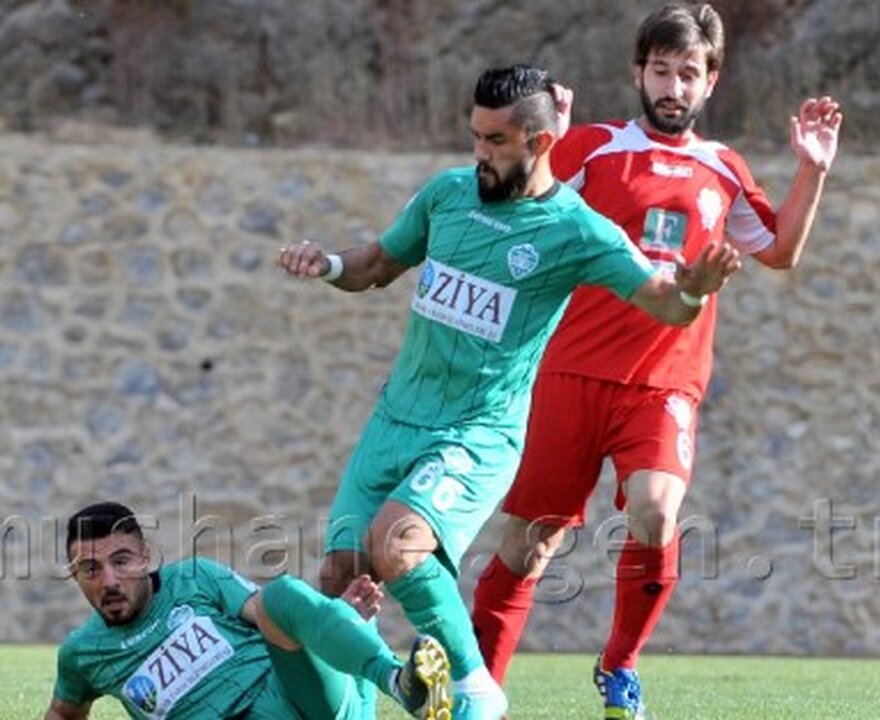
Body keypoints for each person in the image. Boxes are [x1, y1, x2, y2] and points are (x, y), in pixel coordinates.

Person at [277, 63, 741, 720]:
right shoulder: (447, 195)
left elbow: (664, 303)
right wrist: (326, 264)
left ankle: (477, 693)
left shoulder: (576, 230)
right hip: (395, 418)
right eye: (475, 136)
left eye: (496, 141)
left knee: (397, 543)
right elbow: (375, 264)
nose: (480, 153)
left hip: (477, 432)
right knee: (340, 580)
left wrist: (692, 290)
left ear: (540, 142)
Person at [469, 5, 843, 719]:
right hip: (571, 371)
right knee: (533, 539)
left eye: (689, 74)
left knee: (656, 511)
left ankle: (619, 666)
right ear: (639, 73)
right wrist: (547, 146)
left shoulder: (722, 167)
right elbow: (519, 209)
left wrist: (811, 170)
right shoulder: (595, 146)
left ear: (710, 82)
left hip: (664, 382)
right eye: (662, 70)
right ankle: (478, 690)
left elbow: (780, 250)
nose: (674, 87)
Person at [45, 501, 453, 720]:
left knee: (280, 594)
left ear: (145, 558)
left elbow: (272, 614)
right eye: (90, 569)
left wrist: (330, 619)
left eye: (121, 561)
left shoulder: (194, 578)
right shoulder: (82, 654)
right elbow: (63, 712)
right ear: (75, 575)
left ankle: (399, 682)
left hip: (298, 698)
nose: (109, 580)